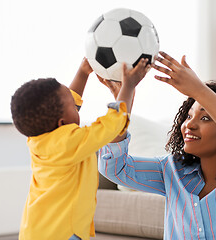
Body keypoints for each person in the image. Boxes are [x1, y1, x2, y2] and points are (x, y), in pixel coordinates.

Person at [98, 51, 216, 239]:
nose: (189, 125)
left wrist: (199, 90)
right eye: (188, 116)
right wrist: (125, 96)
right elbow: (114, 167)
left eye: (205, 118)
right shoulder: (171, 171)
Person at [10, 57, 150, 240]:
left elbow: (67, 103)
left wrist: (83, 72)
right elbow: (113, 123)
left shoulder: (39, 139)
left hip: (36, 230)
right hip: (61, 233)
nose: (77, 107)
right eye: (74, 108)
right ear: (62, 123)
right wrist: (128, 87)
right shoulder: (69, 143)